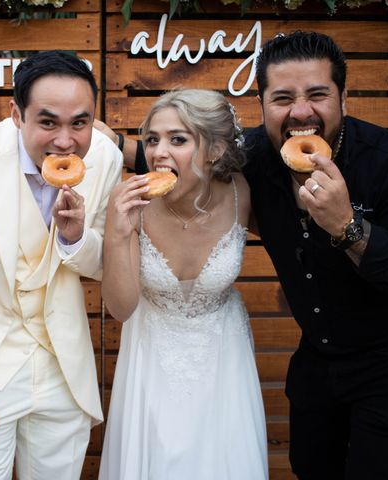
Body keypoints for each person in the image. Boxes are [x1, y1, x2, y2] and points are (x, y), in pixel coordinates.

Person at [244, 31, 388, 480]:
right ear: (262, 106)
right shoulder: (256, 155)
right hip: (320, 353)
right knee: (309, 467)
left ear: (344, 98)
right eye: (282, 98)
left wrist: (346, 226)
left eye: (317, 94)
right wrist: (113, 143)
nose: (300, 112)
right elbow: (180, 160)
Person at [0, 50, 123, 480]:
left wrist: (75, 238)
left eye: (80, 123)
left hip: (63, 370)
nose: (66, 141)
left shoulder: (105, 158)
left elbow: (105, 262)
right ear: (16, 113)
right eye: (48, 122)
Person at [98, 89, 268, 479]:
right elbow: (121, 308)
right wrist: (117, 231)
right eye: (153, 139)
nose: (158, 152)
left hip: (224, 354)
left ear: (214, 151)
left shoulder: (242, 194)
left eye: (178, 140)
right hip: (151, 353)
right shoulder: (132, 205)